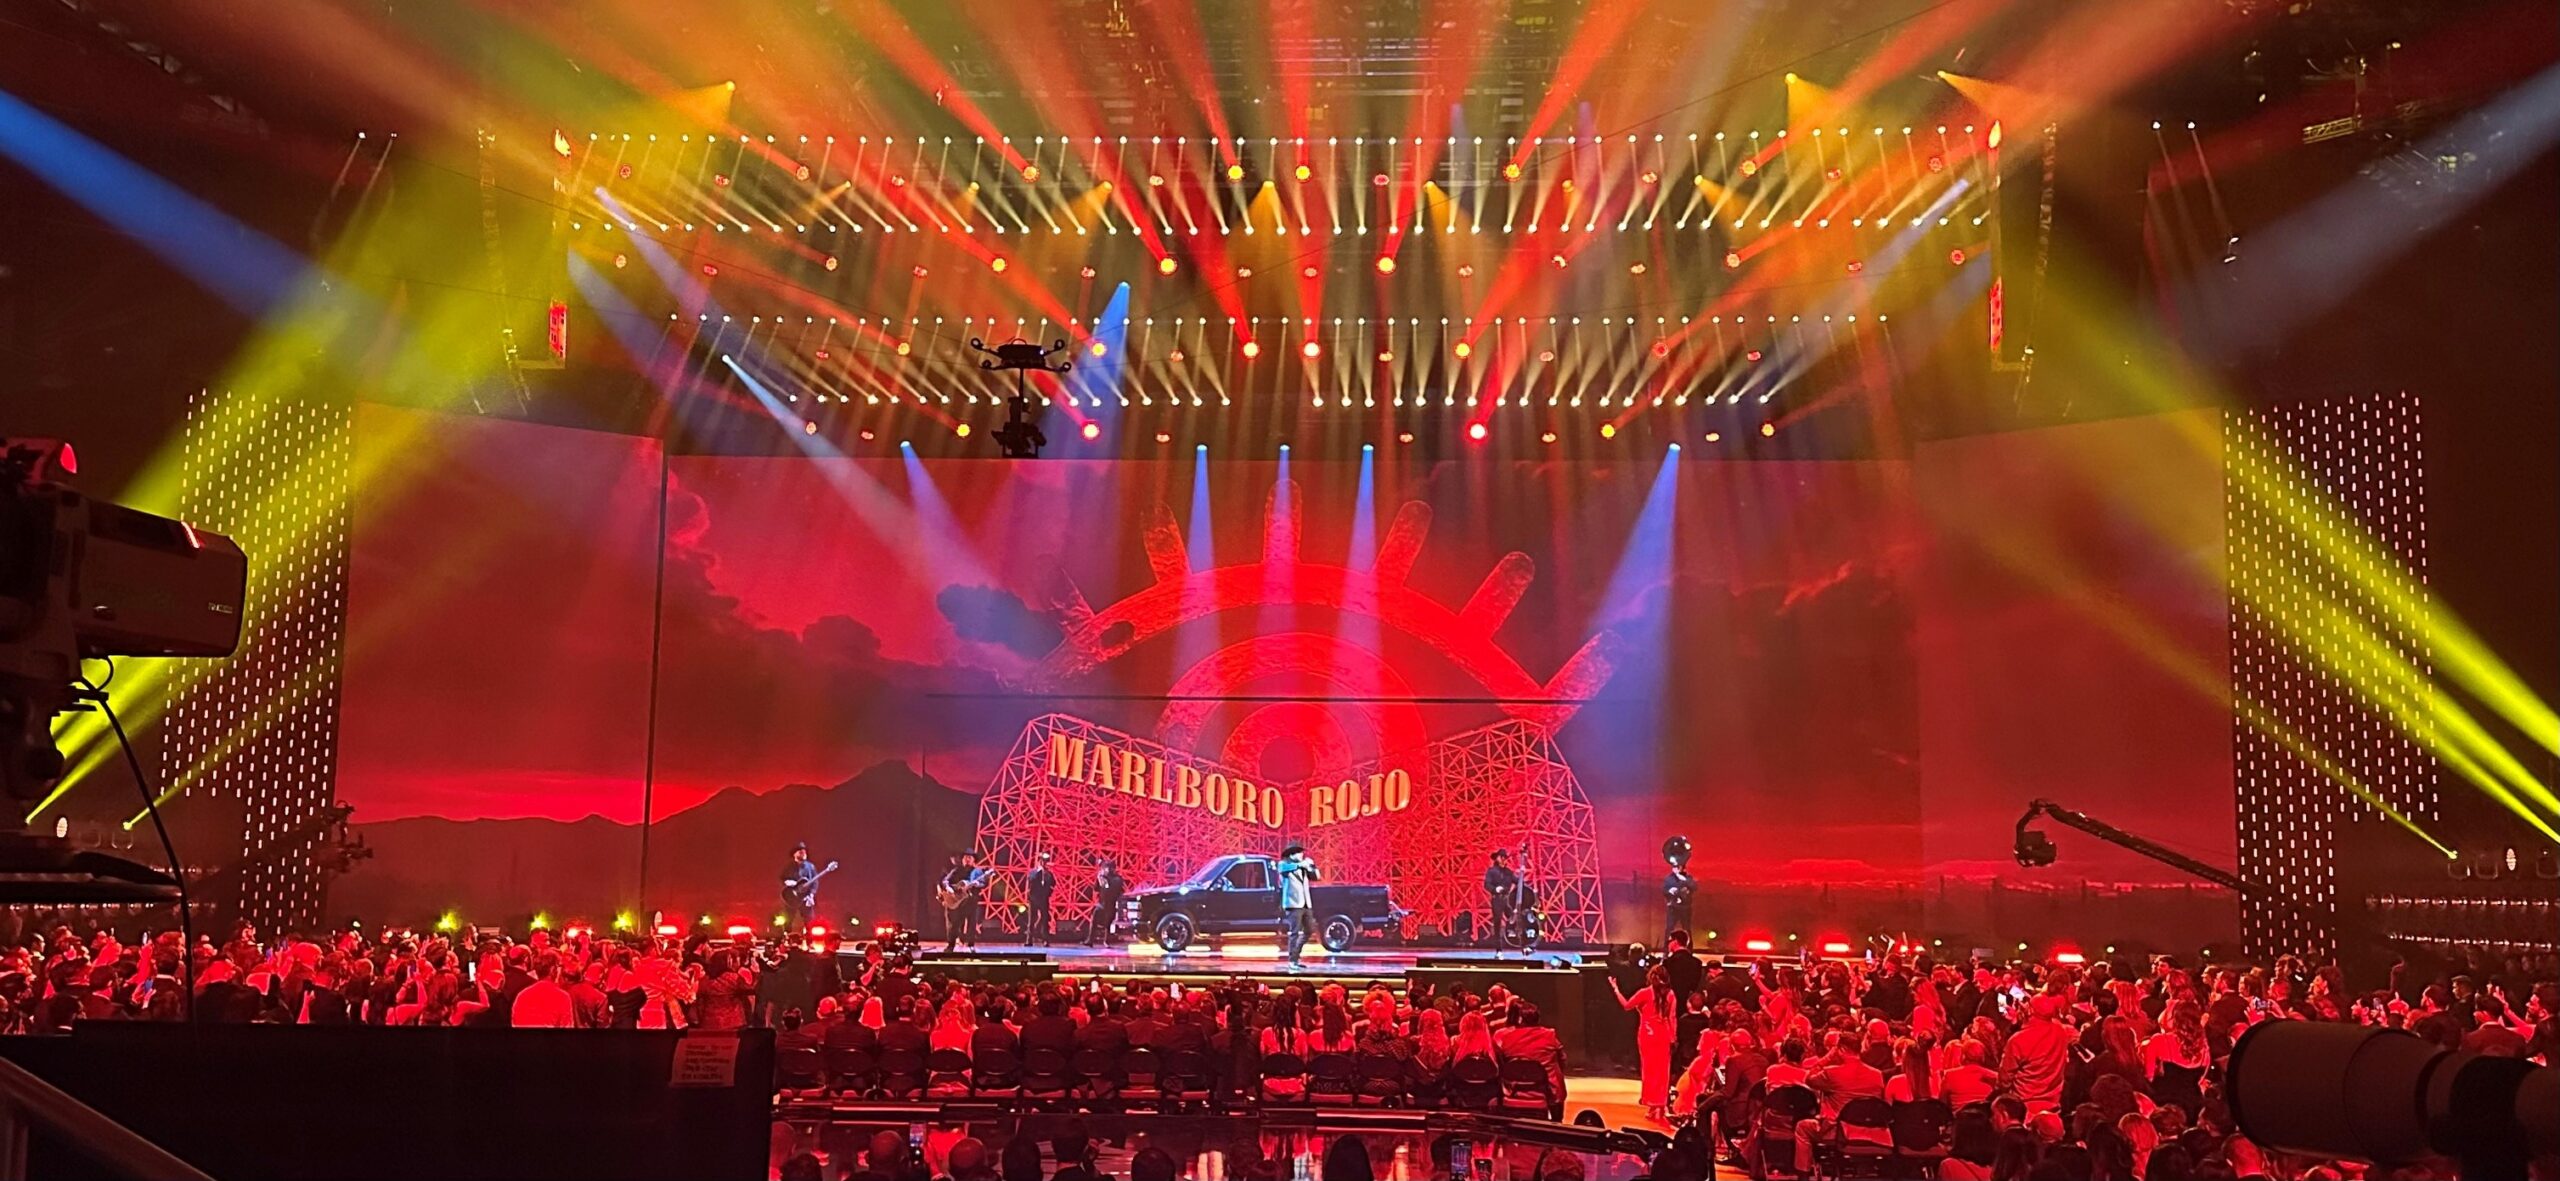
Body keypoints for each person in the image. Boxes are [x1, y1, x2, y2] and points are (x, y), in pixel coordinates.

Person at [1611, 963, 1679, 1122]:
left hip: (1647, 1035)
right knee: (1663, 1072)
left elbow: (1627, 1005)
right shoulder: (1670, 994)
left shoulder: (1645, 993)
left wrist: (1616, 989)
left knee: (1649, 1071)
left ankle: (1652, 1105)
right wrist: (1673, 1037)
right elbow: (1672, 1018)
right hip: (1663, 1035)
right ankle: (1659, 1107)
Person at [1494, 1001, 1568, 1120]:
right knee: (1556, 1078)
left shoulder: (1507, 1038)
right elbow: (1562, 1059)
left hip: (1514, 1092)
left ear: (1520, 1020)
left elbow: (1502, 1065)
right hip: (1547, 1093)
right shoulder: (1549, 1035)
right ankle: (1557, 1123)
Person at [1275, 845, 1321, 967]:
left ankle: (1296, 955)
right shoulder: (1284, 864)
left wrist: (1312, 866)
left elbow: (1317, 877)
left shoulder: (1304, 866)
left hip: (1306, 903)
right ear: (1292, 855)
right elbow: (1283, 869)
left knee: (1309, 930)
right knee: (1294, 932)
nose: (1302, 855)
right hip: (1293, 903)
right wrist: (1301, 865)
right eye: (1299, 853)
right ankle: (1292, 960)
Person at [508, 951, 577, 1028]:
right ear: (553, 970)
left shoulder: (522, 995)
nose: (562, 970)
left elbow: (515, 1022)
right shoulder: (562, 997)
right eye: (560, 966)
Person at [939, 851, 988, 952]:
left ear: (974, 860)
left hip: (971, 901)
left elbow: (983, 883)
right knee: (953, 924)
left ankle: (970, 945)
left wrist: (976, 884)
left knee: (971, 924)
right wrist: (949, 888)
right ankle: (951, 945)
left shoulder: (977, 872)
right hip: (957, 901)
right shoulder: (957, 870)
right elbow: (945, 881)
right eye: (965, 857)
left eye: (970, 857)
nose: (967, 859)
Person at [781, 843, 825, 929]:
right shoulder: (788, 867)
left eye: (804, 852)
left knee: (809, 920)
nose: (803, 853)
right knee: (788, 918)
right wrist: (787, 882)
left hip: (805, 897)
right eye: (800, 852)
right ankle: (787, 935)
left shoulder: (810, 867)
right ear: (795, 854)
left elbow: (815, 882)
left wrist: (811, 895)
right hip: (791, 897)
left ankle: (809, 935)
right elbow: (781, 878)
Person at [1483, 850, 1521, 949]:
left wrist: (1522, 876)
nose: (1503, 859)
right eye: (1501, 857)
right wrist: (1495, 889)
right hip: (1497, 899)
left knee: (1513, 917)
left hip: (1507, 899)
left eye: (1504, 857)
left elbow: (1518, 881)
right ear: (1497, 858)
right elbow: (1486, 884)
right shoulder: (1492, 871)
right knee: (1497, 922)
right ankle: (1498, 947)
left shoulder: (1508, 872)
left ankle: (1515, 937)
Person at [1089, 857, 1127, 945]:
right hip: (1101, 902)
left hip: (1111, 903)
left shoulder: (1117, 879)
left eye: (1108, 868)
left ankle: (1106, 941)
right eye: (1105, 868)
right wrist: (1099, 880)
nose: (1107, 870)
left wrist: (1104, 880)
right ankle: (1090, 940)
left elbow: (1112, 889)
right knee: (1094, 919)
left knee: (1107, 923)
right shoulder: (1103, 877)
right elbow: (1096, 889)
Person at [1022, 852, 1056, 946]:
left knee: (1045, 920)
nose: (1044, 863)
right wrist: (1039, 871)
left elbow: (1053, 883)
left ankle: (1045, 940)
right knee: (1031, 920)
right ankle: (1029, 940)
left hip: (1044, 899)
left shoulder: (1049, 874)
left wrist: (1049, 892)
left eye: (1045, 861)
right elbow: (1030, 879)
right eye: (1043, 861)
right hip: (1034, 898)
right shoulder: (1034, 872)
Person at [1662, 862, 1696, 948]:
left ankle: (1689, 949)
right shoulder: (1669, 879)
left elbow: (1694, 887)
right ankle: (1666, 950)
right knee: (1669, 928)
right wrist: (1669, 891)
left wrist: (1684, 880)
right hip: (1673, 908)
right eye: (1675, 867)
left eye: (1678, 867)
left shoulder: (1688, 878)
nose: (1676, 869)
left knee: (1687, 928)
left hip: (1685, 908)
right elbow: (1664, 890)